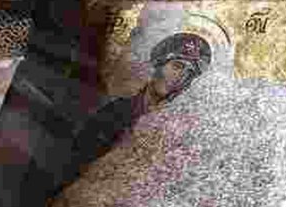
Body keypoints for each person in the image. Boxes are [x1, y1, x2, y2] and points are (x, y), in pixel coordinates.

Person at [70, 32, 212, 173]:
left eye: (189, 73)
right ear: (159, 64)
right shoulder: (115, 111)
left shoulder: (173, 132)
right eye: (177, 66)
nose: (180, 77)